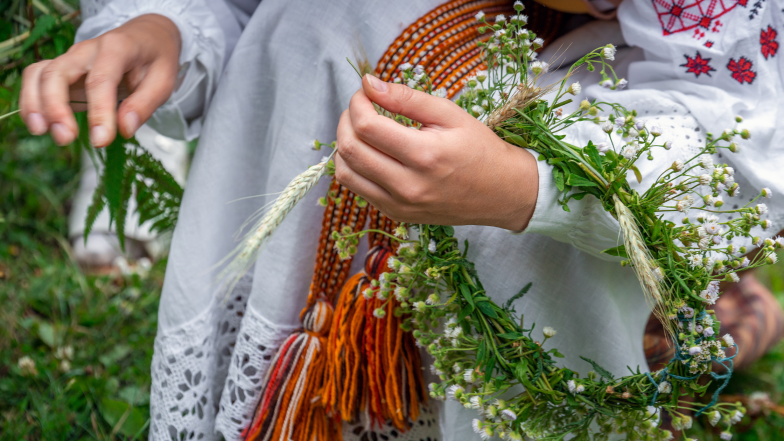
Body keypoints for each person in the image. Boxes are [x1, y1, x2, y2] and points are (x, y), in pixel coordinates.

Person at [19, 0, 784, 440]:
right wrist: (165, 29)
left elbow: (736, 136)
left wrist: (526, 184)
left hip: (577, 156)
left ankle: (708, 329)